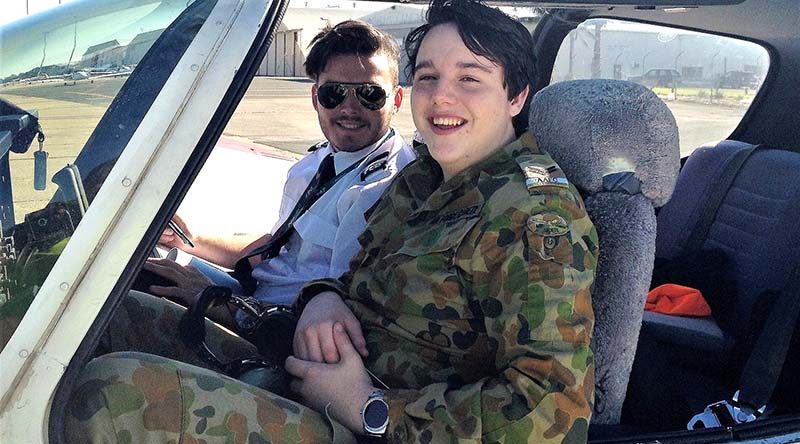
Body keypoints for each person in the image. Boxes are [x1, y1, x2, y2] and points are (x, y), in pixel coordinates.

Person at [66, 0, 599, 442]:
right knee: (103, 317)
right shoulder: (428, 181)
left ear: (517, 96)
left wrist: (370, 408)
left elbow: (556, 409)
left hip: (374, 425)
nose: (442, 96)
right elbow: (352, 275)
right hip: (311, 373)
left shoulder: (534, 214)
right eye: (430, 75)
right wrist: (326, 295)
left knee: (114, 394)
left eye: (471, 78)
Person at [102, 19, 415, 367]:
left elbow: (334, 321)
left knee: (120, 310)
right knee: (134, 265)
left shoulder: (383, 190)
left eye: (369, 94)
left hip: (272, 336)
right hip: (248, 297)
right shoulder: (318, 163)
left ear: (397, 99)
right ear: (316, 98)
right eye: (333, 94)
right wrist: (190, 240)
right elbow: (276, 249)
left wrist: (212, 300)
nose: (349, 108)